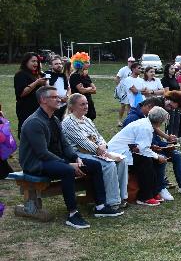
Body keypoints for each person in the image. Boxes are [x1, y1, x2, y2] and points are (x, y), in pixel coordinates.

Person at [18, 86, 117, 228]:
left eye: (58, 96)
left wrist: (75, 158)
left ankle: (100, 206)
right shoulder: (35, 122)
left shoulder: (55, 119)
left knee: (94, 165)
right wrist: (68, 164)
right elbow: (42, 153)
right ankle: (72, 214)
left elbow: (65, 145)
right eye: (54, 97)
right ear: (43, 100)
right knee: (67, 171)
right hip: (36, 163)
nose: (59, 99)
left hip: (54, 159)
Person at [123, 96, 181, 199]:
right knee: (161, 158)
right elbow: (134, 144)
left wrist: (167, 138)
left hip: (152, 144)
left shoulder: (146, 115)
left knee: (177, 155)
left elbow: (154, 127)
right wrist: (154, 148)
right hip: (138, 151)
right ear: (149, 106)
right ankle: (161, 187)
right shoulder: (133, 118)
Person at [62, 93, 128, 210]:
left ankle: (122, 196)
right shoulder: (68, 122)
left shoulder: (86, 120)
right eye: (82, 104)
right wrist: (100, 150)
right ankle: (112, 201)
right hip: (78, 155)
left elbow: (98, 136)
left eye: (86, 103)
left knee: (122, 160)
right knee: (109, 165)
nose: (86, 106)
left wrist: (103, 145)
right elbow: (83, 142)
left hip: (96, 151)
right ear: (72, 107)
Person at [109, 106, 169, 206]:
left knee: (149, 160)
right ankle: (144, 197)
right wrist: (158, 157)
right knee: (146, 161)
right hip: (117, 153)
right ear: (159, 121)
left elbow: (140, 145)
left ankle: (153, 192)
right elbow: (143, 150)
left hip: (124, 150)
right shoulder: (145, 127)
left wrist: (152, 148)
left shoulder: (145, 123)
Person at [14, 52, 48, 135]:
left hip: (38, 107)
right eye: (33, 61)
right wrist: (36, 83)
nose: (36, 63)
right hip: (26, 109)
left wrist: (45, 84)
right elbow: (21, 93)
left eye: (37, 61)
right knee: (27, 131)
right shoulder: (21, 74)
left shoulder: (38, 74)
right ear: (26, 62)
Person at [69, 53, 97, 120]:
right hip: (78, 103)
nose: (88, 64)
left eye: (88, 62)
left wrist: (86, 89)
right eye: (86, 62)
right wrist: (89, 88)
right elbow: (81, 90)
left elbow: (95, 90)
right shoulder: (74, 76)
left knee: (90, 118)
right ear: (79, 64)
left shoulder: (86, 76)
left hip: (88, 101)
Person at [44, 55, 69, 120]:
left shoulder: (64, 76)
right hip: (53, 106)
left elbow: (69, 88)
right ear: (51, 66)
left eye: (60, 63)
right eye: (56, 64)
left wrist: (67, 96)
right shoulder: (48, 75)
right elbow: (48, 88)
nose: (59, 65)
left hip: (64, 105)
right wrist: (60, 98)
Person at [115, 57, 136, 126]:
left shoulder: (135, 70)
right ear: (127, 62)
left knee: (130, 106)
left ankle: (128, 120)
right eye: (130, 61)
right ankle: (119, 120)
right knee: (123, 105)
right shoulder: (123, 69)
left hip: (132, 90)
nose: (131, 63)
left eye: (133, 62)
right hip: (124, 90)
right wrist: (119, 87)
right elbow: (117, 78)